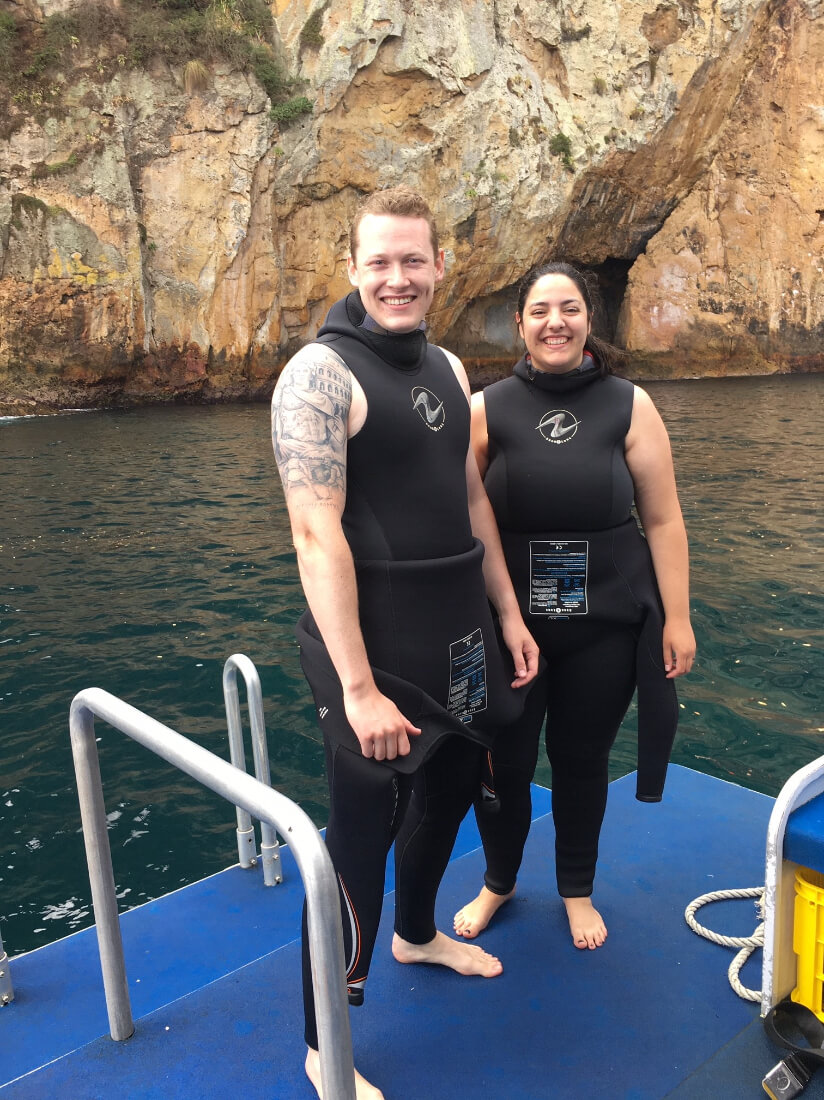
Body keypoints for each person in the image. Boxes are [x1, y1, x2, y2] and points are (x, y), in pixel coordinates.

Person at [271, 186, 538, 1100]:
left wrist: (506, 614)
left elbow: (470, 503)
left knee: (456, 787)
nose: (397, 278)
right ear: (351, 268)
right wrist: (355, 687)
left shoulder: (451, 370)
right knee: (357, 841)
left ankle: (418, 935)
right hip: (372, 655)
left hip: (461, 637)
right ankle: (324, 1045)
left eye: (412, 261)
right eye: (378, 262)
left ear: (438, 266)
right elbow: (316, 534)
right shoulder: (319, 377)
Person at [453, 262, 696, 952]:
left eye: (568, 309)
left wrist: (677, 617)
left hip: (605, 623)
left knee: (581, 758)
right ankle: (498, 880)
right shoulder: (487, 407)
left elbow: (665, 518)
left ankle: (575, 888)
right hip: (510, 623)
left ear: (590, 319)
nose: (554, 322)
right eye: (538, 311)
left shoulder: (629, 404)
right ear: (520, 324)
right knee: (504, 759)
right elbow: (456, 507)